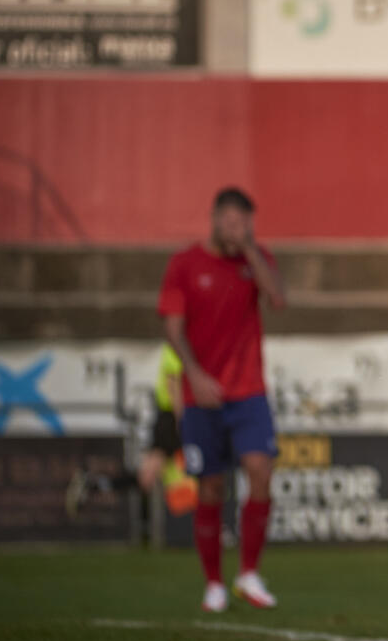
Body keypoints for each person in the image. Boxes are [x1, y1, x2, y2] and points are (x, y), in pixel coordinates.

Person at [157, 186, 286, 613]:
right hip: (202, 396)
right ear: (214, 219)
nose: (236, 229)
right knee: (211, 487)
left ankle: (248, 574)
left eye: (244, 223)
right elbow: (172, 329)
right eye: (230, 221)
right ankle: (213, 583)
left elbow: (278, 299)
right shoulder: (184, 264)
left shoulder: (256, 259)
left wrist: (249, 250)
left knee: (260, 470)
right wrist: (194, 375)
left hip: (248, 392)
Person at [65, 343, 198, 519]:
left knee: (148, 477)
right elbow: (173, 383)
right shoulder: (177, 345)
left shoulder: (182, 344)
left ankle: (94, 484)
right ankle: (93, 483)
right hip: (171, 416)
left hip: (173, 416)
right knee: (149, 475)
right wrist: (183, 421)